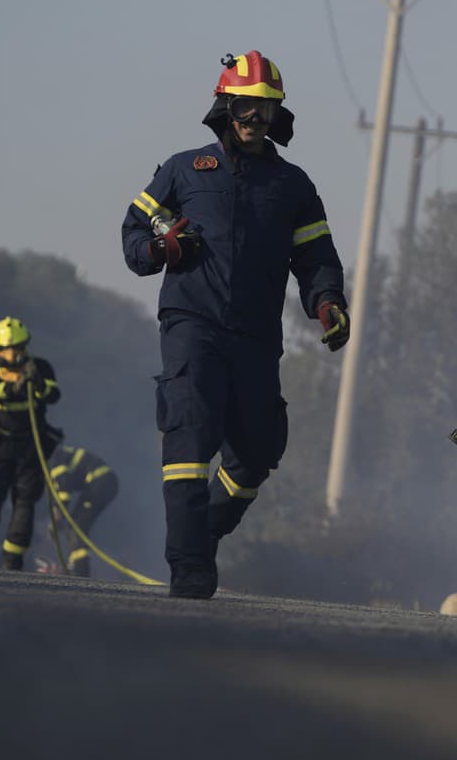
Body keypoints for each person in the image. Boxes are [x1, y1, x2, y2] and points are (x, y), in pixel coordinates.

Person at [121, 49, 348, 599]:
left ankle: (203, 531)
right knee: (191, 433)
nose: (254, 120)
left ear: (277, 116)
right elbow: (133, 239)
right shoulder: (182, 169)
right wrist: (162, 245)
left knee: (258, 451)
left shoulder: (293, 185)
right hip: (191, 324)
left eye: (265, 110)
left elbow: (316, 257)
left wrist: (326, 303)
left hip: (256, 334)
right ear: (225, 106)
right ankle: (191, 565)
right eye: (245, 108)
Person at [0, 316, 62, 570]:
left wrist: (38, 383)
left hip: (31, 446)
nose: (12, 354)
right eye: (6, 349)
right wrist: (16, 386)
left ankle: (12, 561)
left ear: (26, 346)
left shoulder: (41, 368)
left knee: (25, 501)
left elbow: (53, 395)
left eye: (18, 348)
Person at [48, 444, 119, 577]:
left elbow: (63, 491)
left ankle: (80, 572)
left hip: (101, 483)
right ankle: (75, 566)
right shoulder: (59, 455)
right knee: (74, 524)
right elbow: (58, 492)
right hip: (99, 484)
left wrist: (58, 517)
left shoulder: (56, 459)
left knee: (77, 527)